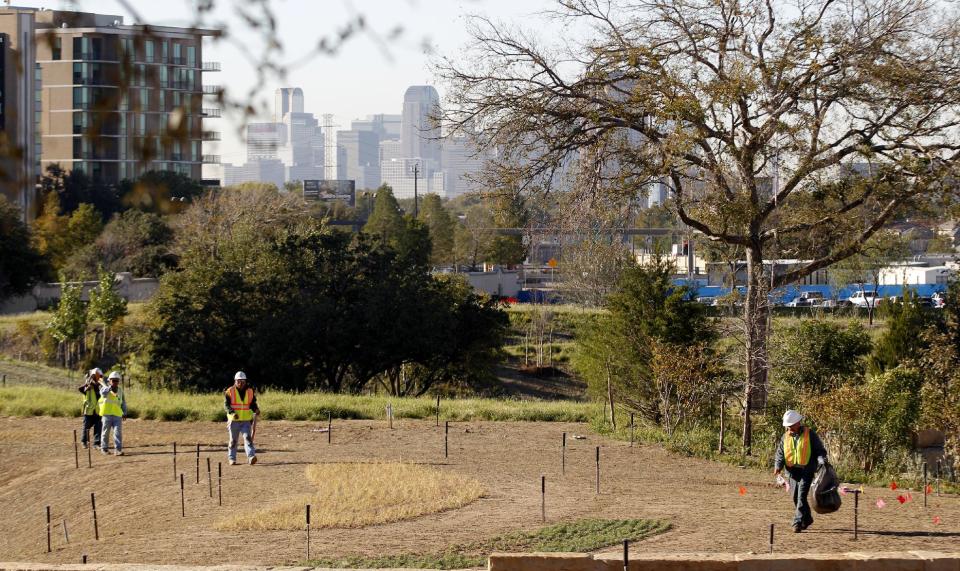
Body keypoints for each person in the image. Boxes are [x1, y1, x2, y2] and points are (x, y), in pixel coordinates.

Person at [773, 409, 828, 533]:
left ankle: (797, 522)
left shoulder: (810, 435)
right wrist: (778, 466)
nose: (789, 428)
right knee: (795, 498)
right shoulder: (785, 437)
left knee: (801, 497)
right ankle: (807, 518)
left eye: (791, 426)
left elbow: (820, 450)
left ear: (798, 423)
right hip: (792, 472)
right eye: (787, 426)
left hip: (806, 471)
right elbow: (780, 453)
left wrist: (821, 460)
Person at [224, 371, 259, 465]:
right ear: (235, 381)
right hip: (234, 420)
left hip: (246, 420)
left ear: (245, 381)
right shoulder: (229, 391)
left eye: (242, 381)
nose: (240, 383)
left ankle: (251, 457)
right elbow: (226, 405)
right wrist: (232, 413)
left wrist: (256, 409)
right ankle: (232, 458)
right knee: (233, 441)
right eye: (238, 381)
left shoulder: (250, 391)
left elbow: (252, 404)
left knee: (248, 439)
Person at [98, 371, 127, 456]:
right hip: (106, 415)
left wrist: (124, 412)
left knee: (118, 433)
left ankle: (118, 450)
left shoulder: (120, 391)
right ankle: (104, 449)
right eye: (113, 380)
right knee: (105, 433)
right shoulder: (104, 388)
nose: (115, 382)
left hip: (117, 415)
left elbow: (123, 402)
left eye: (117, 380)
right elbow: (103, 394)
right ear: (109, 381)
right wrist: (109, 388)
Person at [78, 368, 104, 449]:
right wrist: (87, 384)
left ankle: (96, 444)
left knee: (98, 427)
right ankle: (84, 442)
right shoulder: (88, 386)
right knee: (86, 427)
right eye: (97, 376)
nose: (98, 378)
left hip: (98, 410)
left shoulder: (101, 387)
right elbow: (80, 389)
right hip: (89, 410)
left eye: (99, 377)